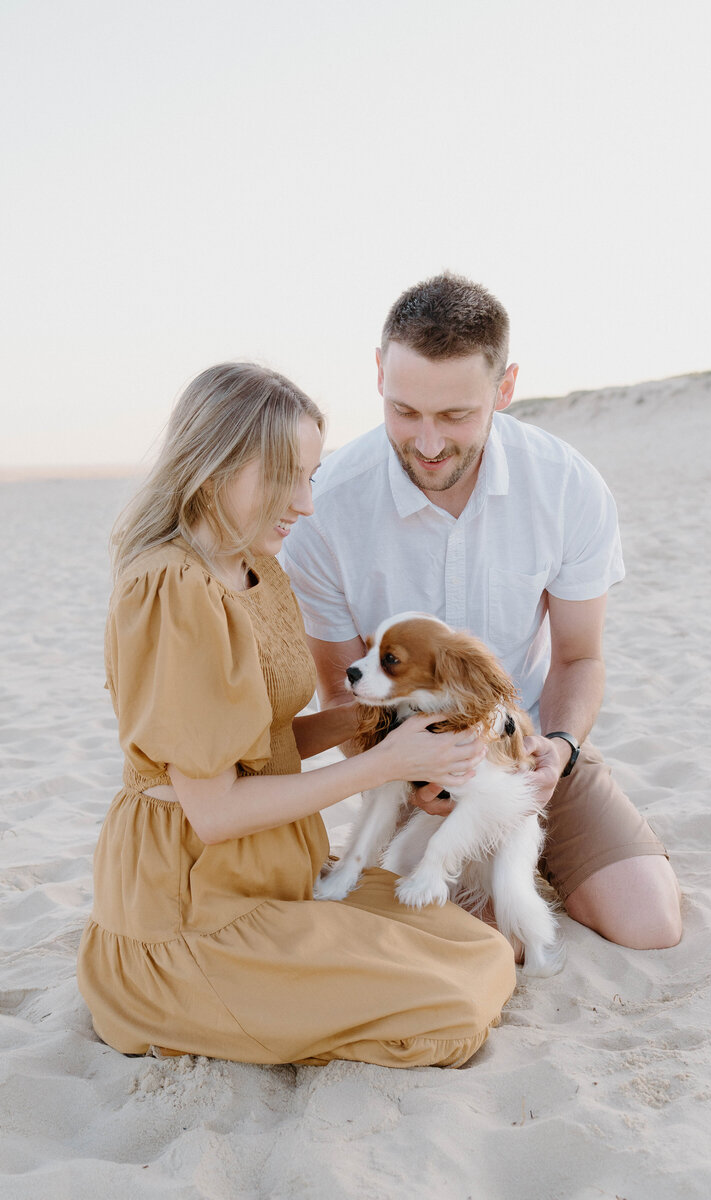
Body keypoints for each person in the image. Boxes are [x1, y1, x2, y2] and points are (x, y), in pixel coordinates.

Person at [77, 361, 516, 1068]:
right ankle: (182, 1003)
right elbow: (214, 810)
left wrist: (371, 722)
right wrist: (387, 764)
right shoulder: (172, 588)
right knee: (450, 1012)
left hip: (278, 873)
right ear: (215, 467)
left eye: (311, 477)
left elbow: (262, 744)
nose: (305, 504)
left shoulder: (257, 566)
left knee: (480, 949)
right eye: (286, 476)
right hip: (196, 903)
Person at [283, 273, 682, 951]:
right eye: (405, 410)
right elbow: (338, 688)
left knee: (650, 926)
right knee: (500, 945)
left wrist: (555, 752)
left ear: (505, 388)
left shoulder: (565, 486)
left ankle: (546, 856)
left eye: (456, 416)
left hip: (532, 744)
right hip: (402, 760)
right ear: (379, 374)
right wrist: (414, 781)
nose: (429, 442)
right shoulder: (325, 508)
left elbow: (579, 658)